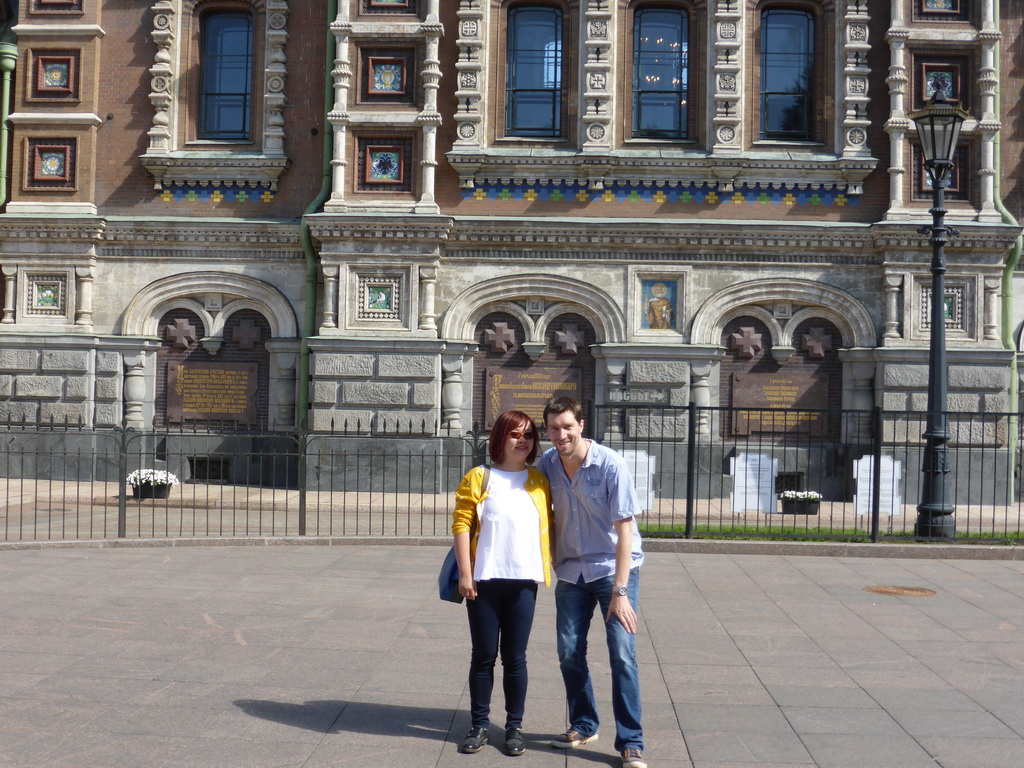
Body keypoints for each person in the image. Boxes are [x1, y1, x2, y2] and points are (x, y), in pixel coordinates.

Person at [539, 396, 647, 768]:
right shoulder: (548, 464)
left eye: (567, 426)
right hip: (571, 570)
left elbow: (625, 529)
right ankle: (584, 724)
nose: (561, 434)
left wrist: (620, 592)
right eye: (554, 428)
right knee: (568, 651)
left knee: (621, 654)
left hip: (613, 569)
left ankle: (631, 742)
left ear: (581, 425)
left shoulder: (610, 464)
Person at [452, 410, 554, 757]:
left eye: (527, 435)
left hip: (524, 581)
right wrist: (466, 574)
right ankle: (479, 725)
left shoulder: (540, 481)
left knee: (515, 657)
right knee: (483, 656)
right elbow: (462, 525)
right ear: (500, 438)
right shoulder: (480, 477)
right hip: (484, 581)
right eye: (514, 434)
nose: (522, 440)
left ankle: (514, 727)